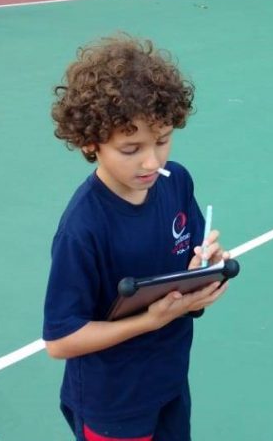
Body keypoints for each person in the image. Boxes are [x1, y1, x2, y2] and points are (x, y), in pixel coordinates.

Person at [43, 36, 228, 441]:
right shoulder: (82, 228)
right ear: (90, 143)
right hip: (114, 403)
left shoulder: (176, 182)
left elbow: (186, 270)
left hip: (169, 381)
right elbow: (61, 340)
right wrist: (149, 321)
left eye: (162, 140)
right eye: (131, 149)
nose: (152, 161)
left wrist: (204, 271)